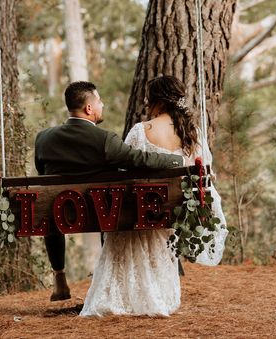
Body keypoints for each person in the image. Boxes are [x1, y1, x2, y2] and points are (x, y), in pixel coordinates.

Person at [80, 75, 228, 317]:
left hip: (141, 212)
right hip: (170, 216)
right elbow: (204, 173)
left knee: (128, 217)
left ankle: (124, 297)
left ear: (156, 101)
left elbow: (124, 173)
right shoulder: (193, 134)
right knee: (155, 224)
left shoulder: (141, 130)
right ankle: (158, 296)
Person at [34, 81, 185, 302]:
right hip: (102, 214)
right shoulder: (104, 140)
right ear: (89, 109)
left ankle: (59, 276)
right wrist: (177, 160)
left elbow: (42, 175)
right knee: (112, 203)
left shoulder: (43, 139)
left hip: (61, 214)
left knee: (51, 207)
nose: (102, 105)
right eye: (99, 101)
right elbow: (140, 160)